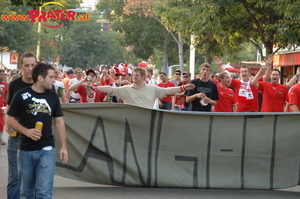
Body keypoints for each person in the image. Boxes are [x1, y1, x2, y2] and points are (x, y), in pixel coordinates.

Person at [6, 63, 68, 199]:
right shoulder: (21, 95)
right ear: (40, 78)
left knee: (44, 193)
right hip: (25, 150)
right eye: (51, 77)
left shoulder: (52, 97)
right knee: (26, 193)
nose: (54, 80)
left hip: (47, 149)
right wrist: (26, 131)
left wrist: (63, 146)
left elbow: (59, 121)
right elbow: (10, 120)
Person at [6, 52, 37, 199]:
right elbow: (9, 107)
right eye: (26, 65)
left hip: (37, 138)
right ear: (21, 67)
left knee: (35, 179)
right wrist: (8, 121)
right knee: (14, 176)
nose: (30, 68)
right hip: (16, 136)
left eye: (33, 65)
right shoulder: (15, 85)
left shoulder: (43, 83)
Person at [96, 67, 195, 109]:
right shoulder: (126, 89)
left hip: (146, 123)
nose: (134, 77)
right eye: (133, 75)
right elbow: (111, 89)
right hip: (130, 123)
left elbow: (168, 91)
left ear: (143, 77)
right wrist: (97, 88)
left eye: (136, 75)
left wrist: (183, 87)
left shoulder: (153, 88)